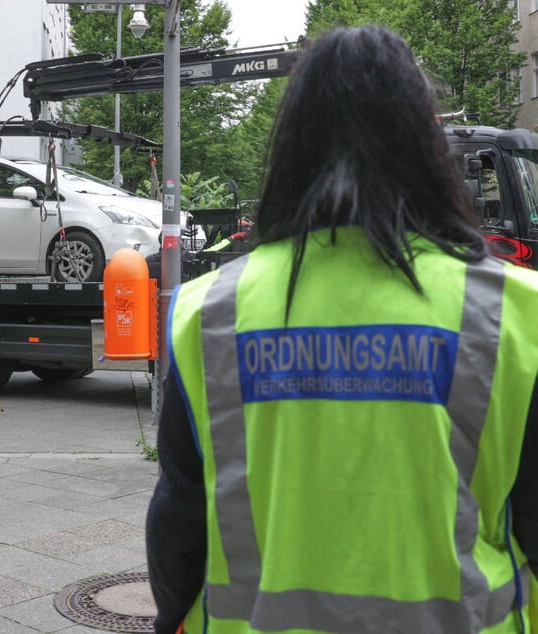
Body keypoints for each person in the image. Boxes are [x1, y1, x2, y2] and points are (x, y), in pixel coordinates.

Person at [146, 25, 538, 634]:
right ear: (426, 150)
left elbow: (177, 533)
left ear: (292, 154)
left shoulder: (210, 314)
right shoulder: (514, 313)